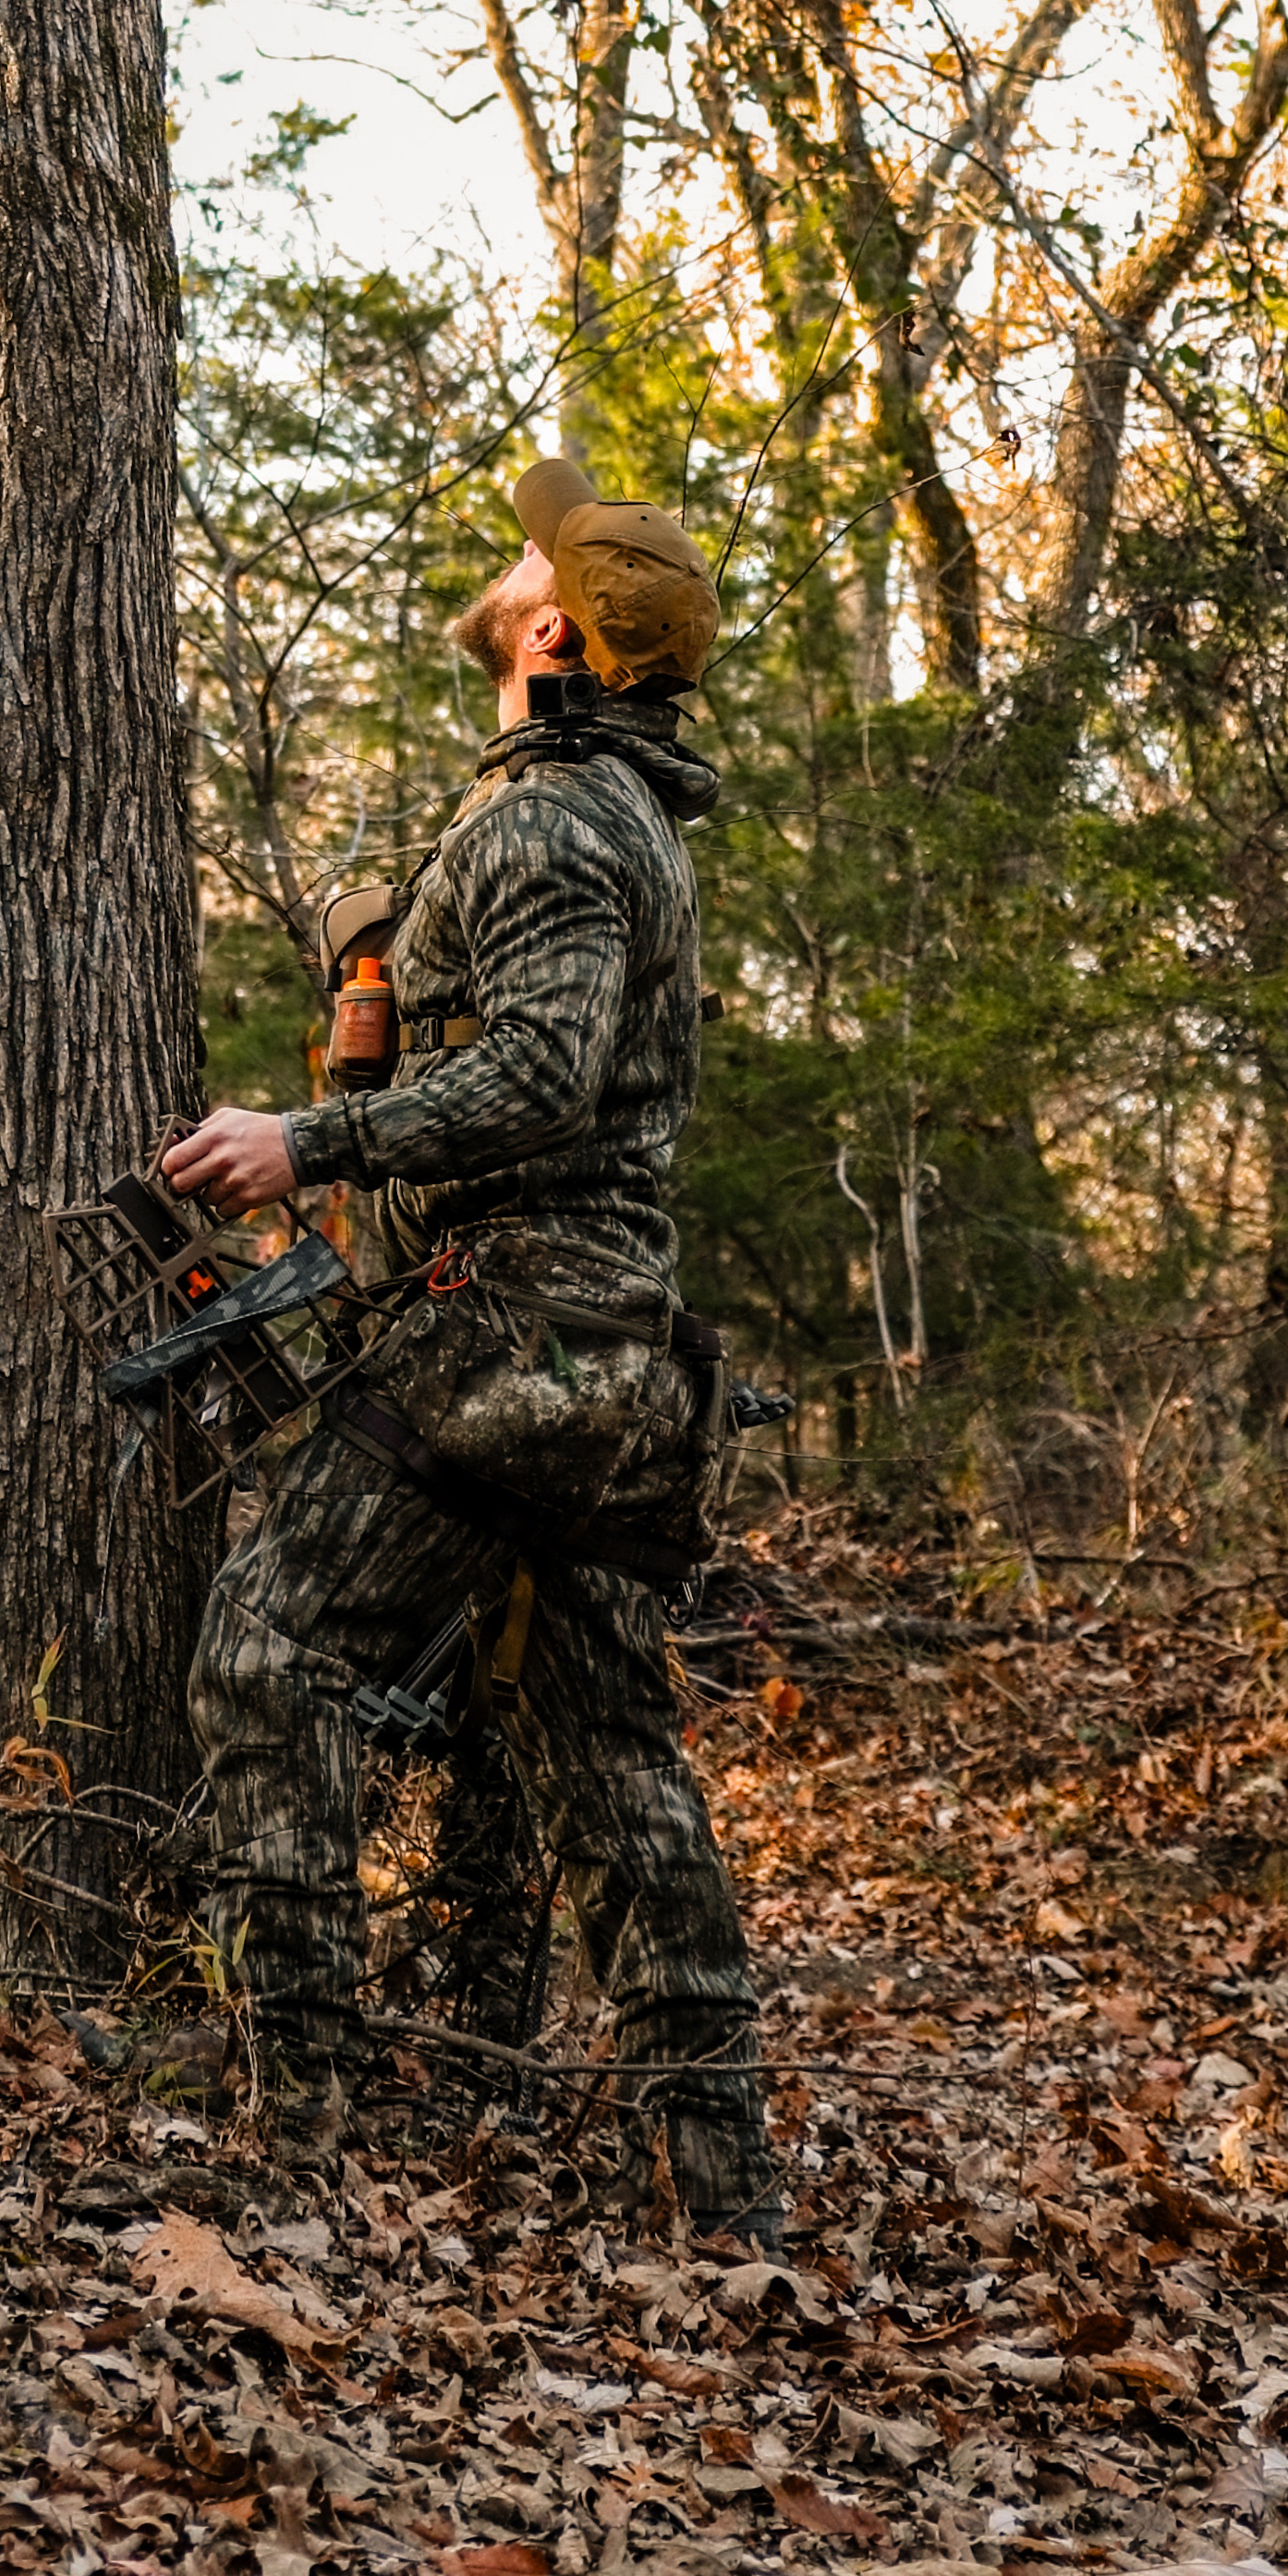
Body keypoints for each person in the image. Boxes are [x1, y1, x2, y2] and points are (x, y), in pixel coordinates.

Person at [161, 454, 781, 2242]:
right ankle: (716, 2193)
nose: (506, 564)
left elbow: (543, 1075)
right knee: (606, 1747)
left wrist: (309, 1142)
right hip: (598, 1357)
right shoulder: (605, 818)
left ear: (560, 632)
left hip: (518, 1344)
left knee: (271, 1647)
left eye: (533, 559)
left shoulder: (550, 820)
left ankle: (293, 2138)